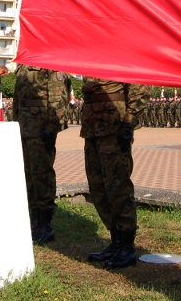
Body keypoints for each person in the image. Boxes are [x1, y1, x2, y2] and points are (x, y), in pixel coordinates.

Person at [81, 76, 148, 269]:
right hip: (92, 129)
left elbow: (140, 88)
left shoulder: (121, 52)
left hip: (114, 129)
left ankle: (127, 246)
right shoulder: (90, 58)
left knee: (118, 187)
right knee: (98, 186)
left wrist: (129, 122)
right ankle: (115, 241)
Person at [14, 64, 71, 245]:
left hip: (41, 128)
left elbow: (58, 95)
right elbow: (18, 98)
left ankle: (45, 224)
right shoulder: (24, 65)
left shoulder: (48, 61)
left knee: (42, 174)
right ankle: (34, 221)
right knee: (29, 175)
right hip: (25, 127)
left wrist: (52, 125)